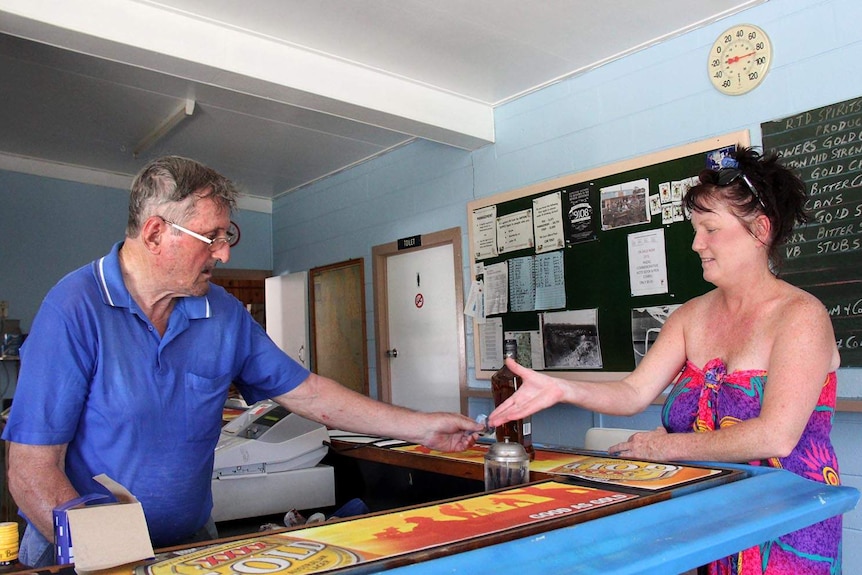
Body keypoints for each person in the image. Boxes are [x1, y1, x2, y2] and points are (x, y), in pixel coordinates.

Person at [2, 156, 482, 568]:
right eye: (210, 237)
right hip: (85, 556)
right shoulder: (73, 309)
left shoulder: (222, 312)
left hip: (189, 546)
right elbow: (31, 472)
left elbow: (307, 392)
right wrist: (113, 557)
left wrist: (419, 428)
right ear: (154, 234)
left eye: (227, 234)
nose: (225, 253)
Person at [489, 147, 842, 575]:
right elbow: (634, 392)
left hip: (785, 525)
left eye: (710, 229)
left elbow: (776, 436)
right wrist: (563, 388)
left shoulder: (801, 316)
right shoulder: (691, 315)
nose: (696, 244)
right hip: (706, 517)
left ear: (760, 230)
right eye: (696, 230)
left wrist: (664, 446)